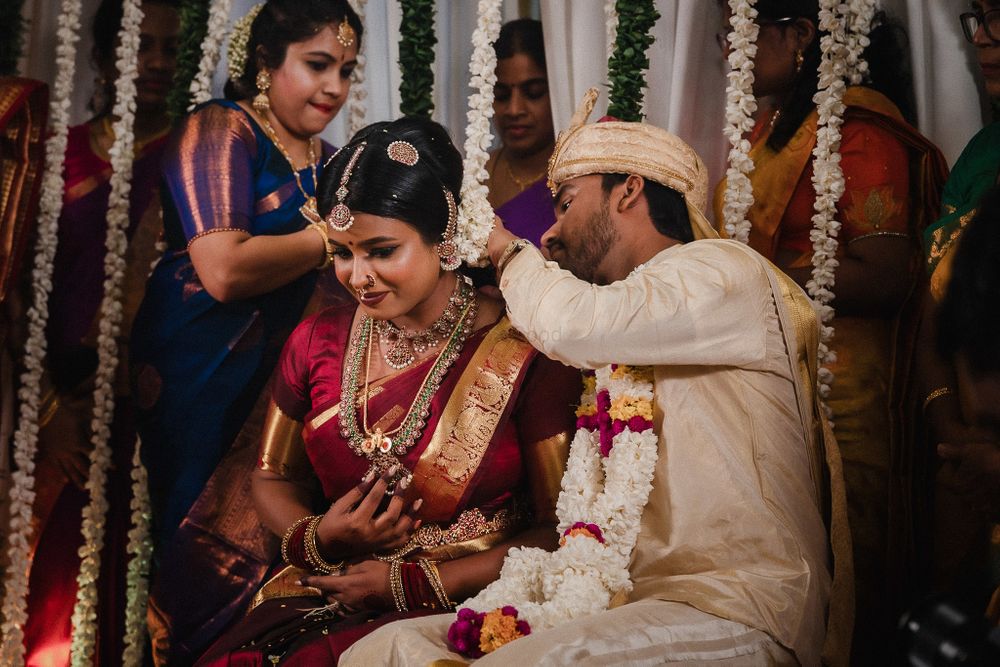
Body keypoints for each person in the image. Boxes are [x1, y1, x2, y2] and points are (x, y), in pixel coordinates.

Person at [340, 92, 852, 667]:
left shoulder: (725, 273)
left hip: (734, 601)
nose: (552, 234)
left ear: (628, 189)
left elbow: (573, 324)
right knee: (383, 651)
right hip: (623, 600)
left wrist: (505, 249)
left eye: (565, 204)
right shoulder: (624, 326)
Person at [194, 115, 581, 665]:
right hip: (329, 589)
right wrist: (319, 538)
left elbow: (558, 530)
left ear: (444, 237)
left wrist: (408, 586)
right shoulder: (316, 341)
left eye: (381, 250)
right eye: (343, 253)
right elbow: (272, 476)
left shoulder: (526, 349)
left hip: (471, 609)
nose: (358, 276)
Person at [712, 2, 948, 660]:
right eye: (723, 29)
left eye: (742, 28)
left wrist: (749, 277)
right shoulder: (767, 130)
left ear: (801, 34)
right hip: (781, 386)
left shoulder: (858, 131)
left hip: (849, 396)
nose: (728, 45)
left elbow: (888, 269)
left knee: (852, 577)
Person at [128, 0, 360, 661]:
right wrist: (330, 239)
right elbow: (223, 268)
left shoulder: (336, 161)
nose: (334, 88)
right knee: (198, 561)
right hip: (202, 379)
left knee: (283, 565)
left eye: (345, 70)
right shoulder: (220, 130)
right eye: (316, 65)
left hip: (295, 389)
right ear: (265, 63)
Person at [11, 2, 179, 664]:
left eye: (171, 50)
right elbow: (21, 293)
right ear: (109, 58)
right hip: (67, 416)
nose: (159, 64)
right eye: (144, 48)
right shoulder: (61, 156)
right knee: (58, 604)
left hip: (159, 413)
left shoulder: (198, 159)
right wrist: (48, 414)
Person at [918, 0, 1000, 624]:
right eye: (977, 19)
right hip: (968, 458)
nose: (985, 42)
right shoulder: (978, 157)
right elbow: (933, 305)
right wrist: (954, 433)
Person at [484, 18, 555, 248]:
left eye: (533, 92)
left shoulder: (579, 176)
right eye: (502, 95)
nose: (514, 110)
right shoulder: (478, 177)